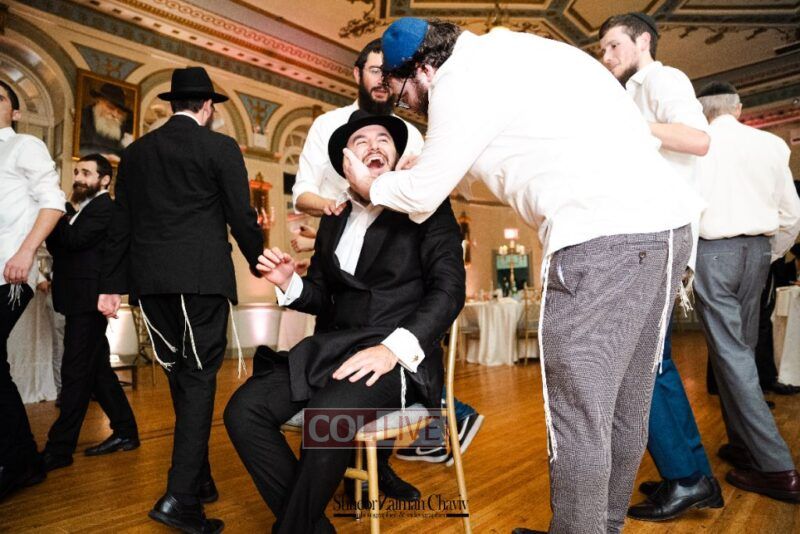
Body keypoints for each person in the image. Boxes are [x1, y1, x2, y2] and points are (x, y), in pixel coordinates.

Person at [343, 18, 705, 533]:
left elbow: (422, 196)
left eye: (404, 96)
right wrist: (424, 162)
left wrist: (369, 187)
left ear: (422, 70)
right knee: (626, 403)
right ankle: (600, 527)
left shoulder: (456, 81)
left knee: (579, 416)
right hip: (668, 231)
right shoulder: (522, 49)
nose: (411, 107)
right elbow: (489, 160)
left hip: (601, 239)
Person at [224, 110, 466, 533]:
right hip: (333, 351)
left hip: (399, 356)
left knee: (327, 416)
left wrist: (390, 350)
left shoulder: (424, 207)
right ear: (345, 162)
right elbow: (323, 298)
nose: (374, 145)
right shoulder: (334, 220)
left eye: (384, 139)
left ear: (396, 156)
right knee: (244, 410)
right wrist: (290, 283)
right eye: (361, 141)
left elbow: (449, 291)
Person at [292, 37, 483, 468]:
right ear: (357, 74)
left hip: (393, 263)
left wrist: (409, 179)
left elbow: (427, 195)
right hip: (340, 264)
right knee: (337, 385)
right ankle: (382, 459)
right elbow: (302, 192)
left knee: (396, 352)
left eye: (391, 73)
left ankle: (406, 452)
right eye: (375, 70)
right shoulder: (327, 124)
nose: (383, 80)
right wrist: (336, 213)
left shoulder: (410, 132)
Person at [98, 67, 264, 533]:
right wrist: (260, 261)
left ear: (172, 104)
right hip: (201, 279)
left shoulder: (135, 153)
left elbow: (120, 224)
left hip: (150, 283)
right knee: (199, 380)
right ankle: (180, 499)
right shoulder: (220, 147)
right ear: (207, 107)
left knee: (181, 377)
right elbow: (241, 215)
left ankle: (198, 477)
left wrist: (110, 285)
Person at [598, 13, 721, 521]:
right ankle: (693, 475)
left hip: (658, 238)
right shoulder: (631, 93)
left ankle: (685, 478)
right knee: (653, 361)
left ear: (643, 40)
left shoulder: (661, 79)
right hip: (652, 237)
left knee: (640, 365)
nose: (606, 56)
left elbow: (698, 140)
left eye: (613, 45)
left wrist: (628, 127)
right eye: (602, 49)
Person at [692, 81, 800, 502]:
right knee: (741, 350)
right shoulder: (771, 145)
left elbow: (687, 210)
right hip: (758, 251)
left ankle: (777, 467)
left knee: (731, 355)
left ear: (703, 111)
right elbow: (792, 214)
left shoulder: (697, 145)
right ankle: (744, 445)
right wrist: (769, 253)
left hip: (712, 252)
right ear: (738, 108)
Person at [41, 154, 139, 472]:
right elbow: (62, 247)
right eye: (77, 172)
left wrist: (55, 209)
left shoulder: (104, 208)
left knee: (74, 372)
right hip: (78, 299)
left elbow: (72, 241)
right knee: (97, 372)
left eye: (86, 172)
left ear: (105, 179)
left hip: (89, 302)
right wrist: (63, 217)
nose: (78, 178)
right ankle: (126, 431)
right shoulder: (83, 208)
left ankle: (60, 449)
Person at [0, 80, 65, 501]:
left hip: (10, 274)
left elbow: (53, 202)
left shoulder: (24, 145)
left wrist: (26, 253)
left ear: (16, 112)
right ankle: (22, 457)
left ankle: (20, 461)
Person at [79, 83, 134, 162]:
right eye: (110, 107)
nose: (115, 114)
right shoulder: (83, 117)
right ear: (98, 101)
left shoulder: (122, 127)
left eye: (119, 112)